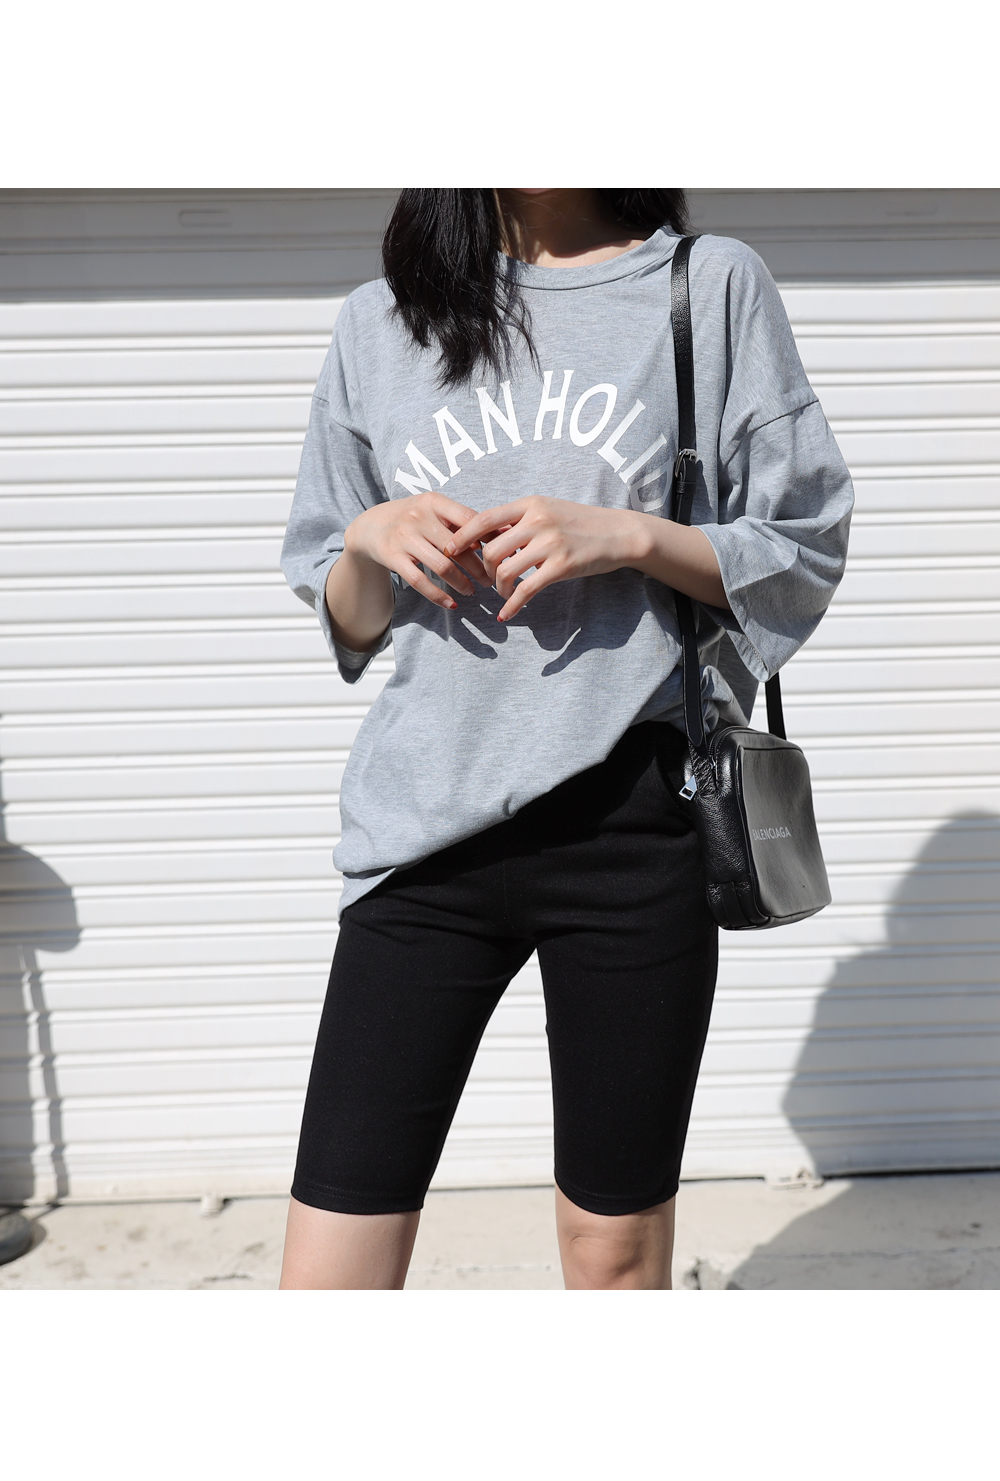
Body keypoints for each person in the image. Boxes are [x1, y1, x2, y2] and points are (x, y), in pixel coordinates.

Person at [278, 188, 853, 1289]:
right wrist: (367, 537)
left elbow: (805, 539)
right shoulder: (379, 319)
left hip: (635, 826)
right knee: (332, 1258)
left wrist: (630, 535)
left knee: (612, 1255)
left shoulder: (706, 285)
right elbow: (350, 621)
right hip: (422, 832)